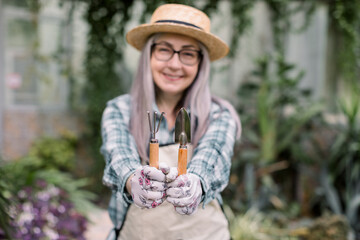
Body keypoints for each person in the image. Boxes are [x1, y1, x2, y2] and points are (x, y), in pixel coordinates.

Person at [100, 3, 241, 240]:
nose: (174, 64)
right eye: (164, 50)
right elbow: (120, 157)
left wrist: (195, 183)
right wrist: (134, 180)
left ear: (200, 63)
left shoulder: (218, 116)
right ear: (149, 55)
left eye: (188, 53)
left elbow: (212, 157)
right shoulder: (120, 110)